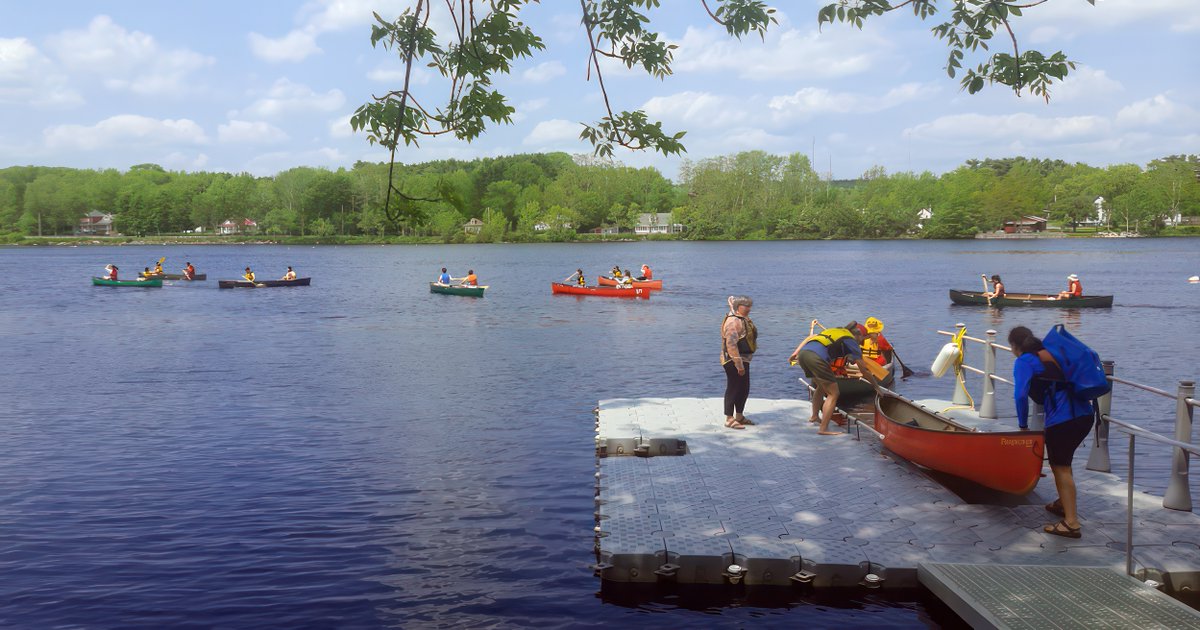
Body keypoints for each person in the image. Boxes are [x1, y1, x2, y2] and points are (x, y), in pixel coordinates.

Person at [1008, 326, 1094, 539]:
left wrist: (1022, 426)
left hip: (1063, 420)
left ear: (1015, 347)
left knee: (1060, 467)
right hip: (1085, 414)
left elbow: (1020, 395)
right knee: (1063, 463)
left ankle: (1071, 523)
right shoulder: (1052, 354)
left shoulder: (1023, 361)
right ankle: (1064, 504)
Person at [788, 323, 878, 435]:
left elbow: (810, 338)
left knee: (820, 387)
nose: (862, 343)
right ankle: (823, 429)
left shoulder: (834, 331)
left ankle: (814, 416)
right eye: (863, 339)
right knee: (834, 393)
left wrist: (794, 354)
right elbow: (864, 370)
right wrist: (876, 386)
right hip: (816, 357)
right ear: (859, 336)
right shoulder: (851, 341)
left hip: (803, 355)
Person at [720, 296, 757, 429]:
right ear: (739, 307)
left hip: (744, 359)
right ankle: (729, 418)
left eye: (750, 306)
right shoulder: (733, 322)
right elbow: (731, 345)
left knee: (744, 388)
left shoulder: (741, 318)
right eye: (746, 306)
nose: (749, 309)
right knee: (734, 387)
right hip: (732, 360)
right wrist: (739, 365)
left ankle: (739, 416)